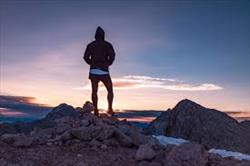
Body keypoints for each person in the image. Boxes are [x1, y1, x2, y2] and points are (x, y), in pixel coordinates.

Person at [83, 26, 115, 116]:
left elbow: (85, 57)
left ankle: (96, 110)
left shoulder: (90, 45)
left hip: (93, 71)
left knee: (94, 91)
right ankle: (110, 108)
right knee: (110, 90)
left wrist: (91, 64)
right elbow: (112, 57)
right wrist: (107, 64)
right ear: (103, 35)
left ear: (95, 35)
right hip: (104, 70)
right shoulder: (108, 45)